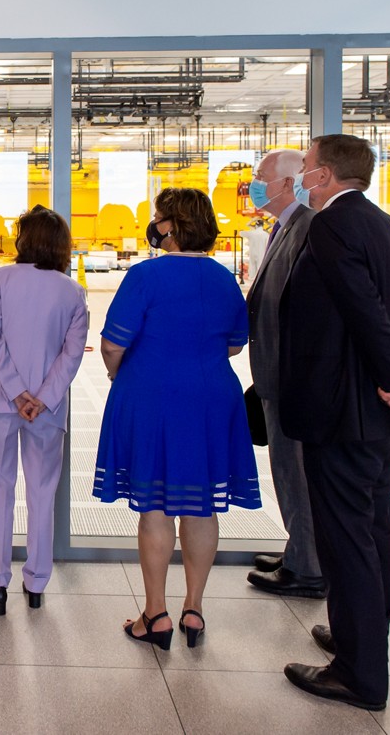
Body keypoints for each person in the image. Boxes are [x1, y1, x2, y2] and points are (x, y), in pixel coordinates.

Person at [280, 134, 390, 711]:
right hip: (379, 419)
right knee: (374, 529)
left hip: (341, 413)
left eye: (306, 167)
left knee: (346, 539)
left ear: (325, 175)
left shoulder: (332, 225)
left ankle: (359, 673)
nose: (301, 176)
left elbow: (363, 311)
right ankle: (363, 637)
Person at [94, 187, 260, 651]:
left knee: (155, 506)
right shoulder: (224, 278)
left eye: (158, 217)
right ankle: (194, 609)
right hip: (212, 398)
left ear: (170, 226)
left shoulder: (145, 275)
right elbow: (234, 344)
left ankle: (155, 614)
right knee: (201, 504)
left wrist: (117, 373)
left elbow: (112, 343)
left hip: (152, 396)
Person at [0, 205, 88, 615]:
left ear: (24, 239)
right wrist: (40, 396)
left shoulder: (0, 279)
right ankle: (36, 583)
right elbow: (72, 355)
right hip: (47, 409)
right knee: (41, 492)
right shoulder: (72, 291)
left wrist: (16, 392)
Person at [244, 150, 325, 599]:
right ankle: (299, 550)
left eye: (261, 177)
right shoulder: (285, 227)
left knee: (296, 473)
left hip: (292, 379)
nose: (254, 185)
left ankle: (308, 569)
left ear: (289, 184)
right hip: (276, 374)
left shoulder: (308, 228)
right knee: (286, 471)